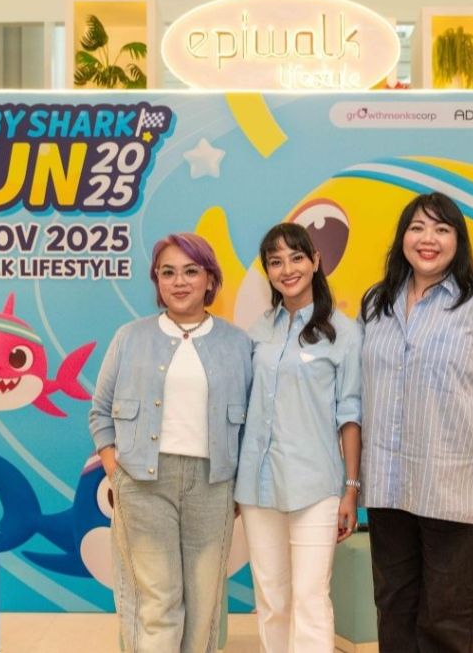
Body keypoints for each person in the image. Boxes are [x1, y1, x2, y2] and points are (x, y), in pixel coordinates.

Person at [359, 192, 473, 653]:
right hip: (389, 487)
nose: (428, 238)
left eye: (441, 229)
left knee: (446, 623)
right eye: (417, 227)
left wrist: (469, 444)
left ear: (459, 240)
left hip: (453, 490)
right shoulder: (377, 303)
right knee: (394, 609)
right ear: (402, 238)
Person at [89, 232, 253, 653]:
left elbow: (252, 426)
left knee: (204, 605)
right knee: (159, 601)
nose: (179, 282)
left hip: (213, 487)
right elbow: (100, 411)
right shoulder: (130, 337)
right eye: (168, 272)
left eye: (190, 271)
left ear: (210, 279)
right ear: (157, 281)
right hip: (143, 484)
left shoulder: (238, 343)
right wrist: (114, 470)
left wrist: (240, 487)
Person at [235, 223, 362, 653]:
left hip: (315, 487)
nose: (287, 269)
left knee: (310, 598)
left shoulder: (343, 333)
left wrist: (350, 489)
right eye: (275, 262)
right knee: (272, 600)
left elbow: (350, 416)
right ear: (267, 272)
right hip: (257, 486)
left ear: (315, 261)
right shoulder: (258, 331)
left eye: (296, 258)